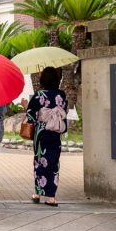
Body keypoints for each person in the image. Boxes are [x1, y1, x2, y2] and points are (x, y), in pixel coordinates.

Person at [25, 66, 68, 207]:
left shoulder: (39, 95)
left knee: (39, 161)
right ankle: (51, 197)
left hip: (42, 133)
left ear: (42, 79)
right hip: (55, 133)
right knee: (53, 163)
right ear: (56, 80)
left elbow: (30, 116)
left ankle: (37, 193)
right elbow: (64, 112)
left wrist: (27, 107)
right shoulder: (62, 95)